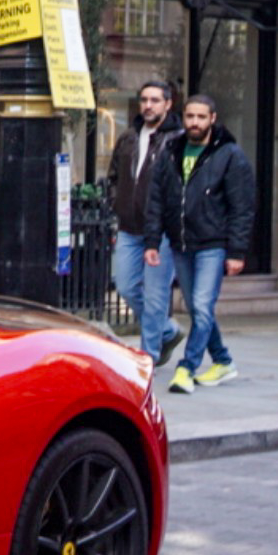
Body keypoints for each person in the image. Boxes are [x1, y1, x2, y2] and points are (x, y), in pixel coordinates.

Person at [145, 94, 255, 393]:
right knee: (197, 309)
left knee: (202, 306)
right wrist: (152, 241)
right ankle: (222, 360)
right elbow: (157, 200)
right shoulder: (171, 151)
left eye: (201, 117)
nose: (194, 123)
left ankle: (187, 368)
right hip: (181, 243)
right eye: (190, 117)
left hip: (213, 244)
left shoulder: (229, 154)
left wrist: (236, 252)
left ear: (213, 119)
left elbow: (241, 207)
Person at [107, 81, 184, 362]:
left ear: (168, 104)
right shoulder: (128, 137)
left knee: (155, 296)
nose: (148, 105)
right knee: (125, 286)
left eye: (154, 100)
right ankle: (166, 330)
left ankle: (148, 355)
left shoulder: (178, 139)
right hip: (129, 227)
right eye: (144, 100)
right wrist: (118, 203)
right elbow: (114, 175)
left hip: (161, 231)